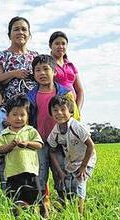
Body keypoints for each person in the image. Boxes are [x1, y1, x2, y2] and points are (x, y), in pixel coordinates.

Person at [27, 54, 80, 208]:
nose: (42, 73)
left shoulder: (65, 93)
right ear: (34, 74)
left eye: (46, 69)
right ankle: (44, 211)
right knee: (40, 176)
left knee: (62, 174)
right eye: (37, 70)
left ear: (55, 71)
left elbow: (74, 117)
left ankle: (67, 208)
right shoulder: (31, 95)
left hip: (61, 144)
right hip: (40, 143)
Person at [0, 94, 47, 219]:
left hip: (31, 172)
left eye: (22, 115)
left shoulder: (30, 131)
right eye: (14, 114)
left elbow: (39, 144)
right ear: (7, 117)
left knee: (38, 197)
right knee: (16, 199)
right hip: (13, 173)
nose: (18, 118)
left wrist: (28, 143)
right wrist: (10, 146)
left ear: (28, 117)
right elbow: (0, 150)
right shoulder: (4, 134)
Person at [47, 95, 96, 214]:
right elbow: (52, 151)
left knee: (79, 183)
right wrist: (60, 171)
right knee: (69, 187)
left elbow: (91, 146)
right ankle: (69, 211)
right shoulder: (56, 131)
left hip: (86, 160)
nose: (59, 113)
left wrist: (84, 166)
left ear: (70, 112)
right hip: (71, 162)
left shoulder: (77, 126)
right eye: (55, 110)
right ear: (51, 113)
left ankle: (80, 216)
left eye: (63, 109)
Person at [0, 16, 38, 100]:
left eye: (24, 29)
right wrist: (13, 74)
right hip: (10, 107)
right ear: (9, 35)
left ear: (29, 34)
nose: (20, 32)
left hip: (34, 105)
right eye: (16, 29)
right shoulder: (1, 56)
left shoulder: (35, 56)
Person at [49, 31, 84, 110]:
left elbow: (80, 91)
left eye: (63, 44)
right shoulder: (47, 65)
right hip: (56, 108)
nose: (60, 46)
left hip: (72, 108)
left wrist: (77, 110)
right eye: (57, 43)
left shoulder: (71, 66)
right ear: (50, 46)